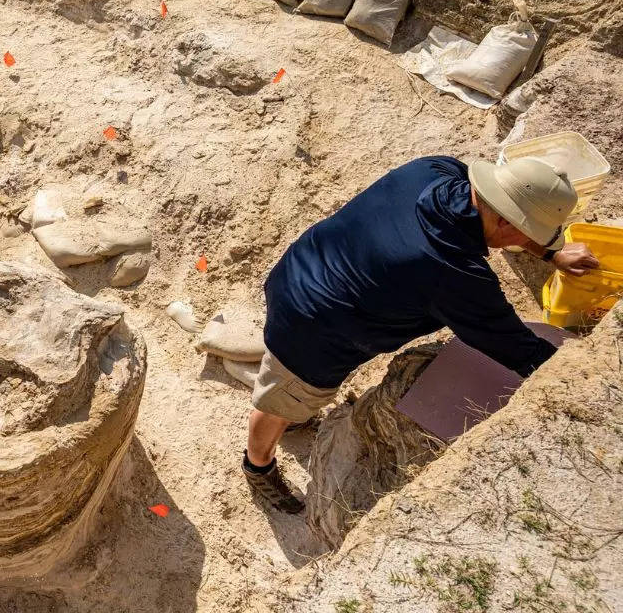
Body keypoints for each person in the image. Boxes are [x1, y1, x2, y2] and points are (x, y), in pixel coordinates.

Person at [242, 156, 598, 513]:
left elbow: (502, 220)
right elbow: (520, 349)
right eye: (531, 232)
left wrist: (552, 254)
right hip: (311, 328)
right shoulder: (452, 272)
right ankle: (258, 465)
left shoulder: (436, 170)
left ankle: (291, 417)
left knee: (291, 396)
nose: (529, 242)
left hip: (305, 264)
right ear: (507, 220)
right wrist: (586, 381)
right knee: (281, 401)